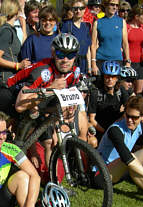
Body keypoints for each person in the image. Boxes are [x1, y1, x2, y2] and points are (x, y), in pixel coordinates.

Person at [13, 34, 88, 169]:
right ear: (53, 53)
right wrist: (51, 88)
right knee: (17, 136)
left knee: (49, 140)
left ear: (75, 56)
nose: (65, 59)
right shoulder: (42, 71)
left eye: (70, 55)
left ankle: (51, 178)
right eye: (60, 54)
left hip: (41, 101)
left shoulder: (75, 70)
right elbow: (19, 105)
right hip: (13, 93)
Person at [0, 0, 31, 83]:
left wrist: (24, 27)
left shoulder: (8, 29)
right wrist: (18, 65)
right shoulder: (5, 31)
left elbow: (23, 45)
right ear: (16, 11)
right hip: (6, 77)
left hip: (11, 75)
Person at [88, 61, 130, 141]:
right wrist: (106, 131)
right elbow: (92, 119)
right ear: (103, 77)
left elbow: (130, 108)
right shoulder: (96, 92)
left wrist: (115, 126)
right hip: (100, 128)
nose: (110, 79)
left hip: (117, 125)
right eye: (107, 76)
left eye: (113, 77)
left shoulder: (121, 91)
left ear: (117, 78)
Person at [91, 0, 131, 75]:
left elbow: (125, 43)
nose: (115, 7)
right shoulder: (97, 22)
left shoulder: (121, 22)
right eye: (112, 5)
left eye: (117, 5)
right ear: (106, 5)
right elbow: (93, 45)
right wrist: (93, 63)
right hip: (101, 60)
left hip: (117, 60)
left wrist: (128, 61)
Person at [61, 0, 92, 74]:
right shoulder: (66, 25)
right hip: (71, 63)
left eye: (81, 8)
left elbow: (87, 49)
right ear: (72, 9)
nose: (78, 11)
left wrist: (89, 67)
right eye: (75, 8)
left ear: (85, 9)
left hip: (84, 63)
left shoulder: (87, 26)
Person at [126, 4, 143, 93]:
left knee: (139, 92)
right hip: (129, 63)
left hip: (141, 63)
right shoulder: (127, 27)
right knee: (128, 91)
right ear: (136, 16)